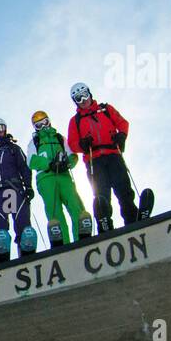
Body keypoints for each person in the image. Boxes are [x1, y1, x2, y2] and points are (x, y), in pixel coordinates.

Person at [66, 82, 137, 233]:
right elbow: (72, 143)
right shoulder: (75, 120)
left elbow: (122, 122)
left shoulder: (105, 109)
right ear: (75, 102)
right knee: (101, 193)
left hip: (113, 154)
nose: (83, 100)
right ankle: (104, 223)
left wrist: (122, 135)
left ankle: (132, 217)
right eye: (78, 98)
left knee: (123, 187)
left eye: (85, 95)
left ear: (90, 93)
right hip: (94, 159)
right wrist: (82, 144)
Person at [27, 110, 92, 246]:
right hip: (46, 178)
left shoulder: (59, 138)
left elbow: (72, 154)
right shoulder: (34, 141)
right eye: (38, 125)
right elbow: (31, 161)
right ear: (35, 127)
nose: (43, 127)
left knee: (73, 201)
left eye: (44, 122)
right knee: (53, 208)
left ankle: (81, 235)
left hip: (63, 175)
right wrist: (48, 164)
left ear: (49, 120)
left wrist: (67, 163)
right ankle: (62, 241)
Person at [0, 117, 36, 263]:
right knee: (1, 228)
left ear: (5, 130)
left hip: (14, 189)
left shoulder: (13, 149)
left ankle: (26, 250)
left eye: (1, 128)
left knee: (22, 222)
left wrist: (28, 186)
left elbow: (24, 168)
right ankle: (1, 255)